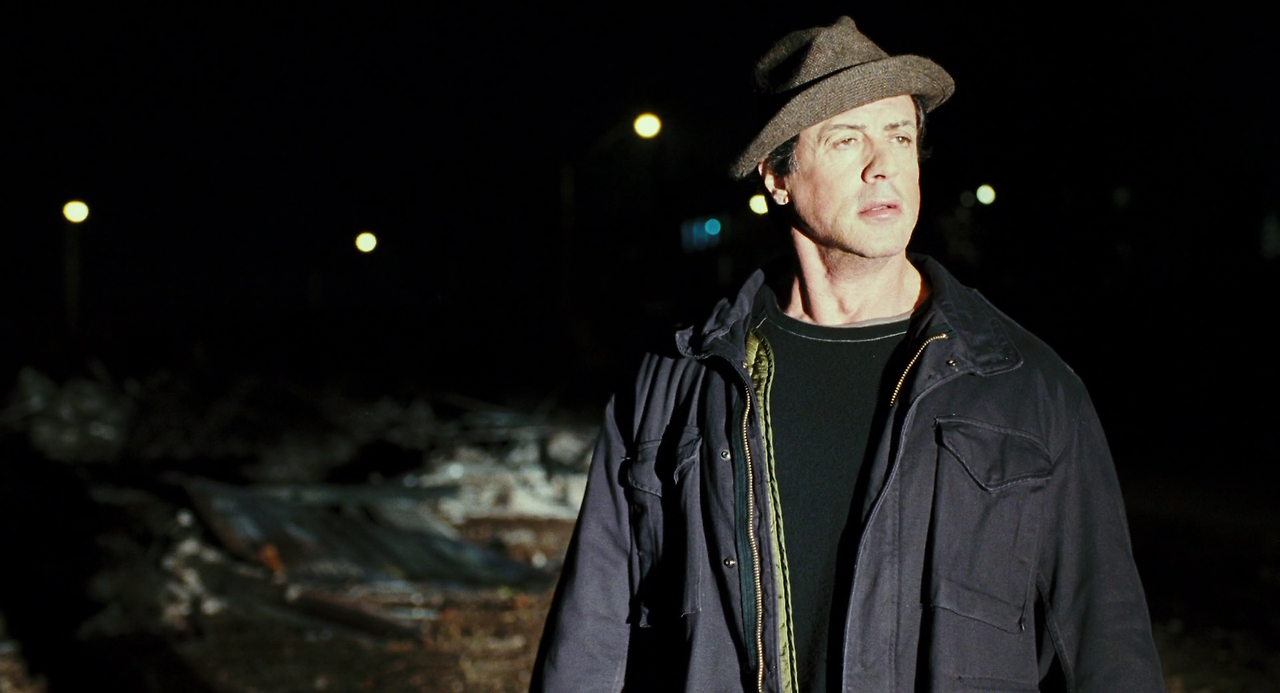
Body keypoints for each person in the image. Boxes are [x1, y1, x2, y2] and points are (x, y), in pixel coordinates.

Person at [531, 16, 1164, 692]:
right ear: (777, 175)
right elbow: (592, 636)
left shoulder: (1026, 386)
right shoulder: (677, 383)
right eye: (846, 138)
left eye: (899, 135)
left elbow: (1105, 645)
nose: (882, 163)